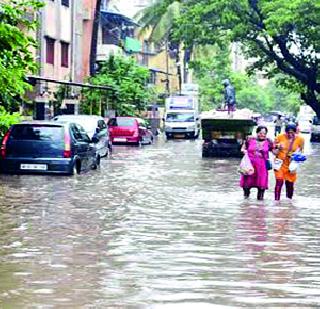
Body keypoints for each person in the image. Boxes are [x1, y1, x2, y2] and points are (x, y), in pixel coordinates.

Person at [240, 126, 273, 200]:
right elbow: (243, 148)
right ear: (257, 133)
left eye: (264, 133)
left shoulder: (269, 142)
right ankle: (246, 204)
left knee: (261, 187)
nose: (262, 135)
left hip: (262, 167)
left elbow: (275, 152)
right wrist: (245, 152)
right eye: (260, 133)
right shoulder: (249, 140)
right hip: (249, 166)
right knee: (246, 187)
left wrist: (279, 148)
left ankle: (260, 206)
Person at [273, 122, 305, 201]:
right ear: (285, 132)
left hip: (291, 165)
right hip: (280, 164)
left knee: (290, 184)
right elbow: (273, 151)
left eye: (292, 132)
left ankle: (289, 202)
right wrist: (278, 148)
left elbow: (301, 152)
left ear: (295, 132)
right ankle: (276, 202)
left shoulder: (300, 139)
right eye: (288, 133)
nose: (290, 134)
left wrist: (296, 156)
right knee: (279, 181)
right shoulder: (279, 137)